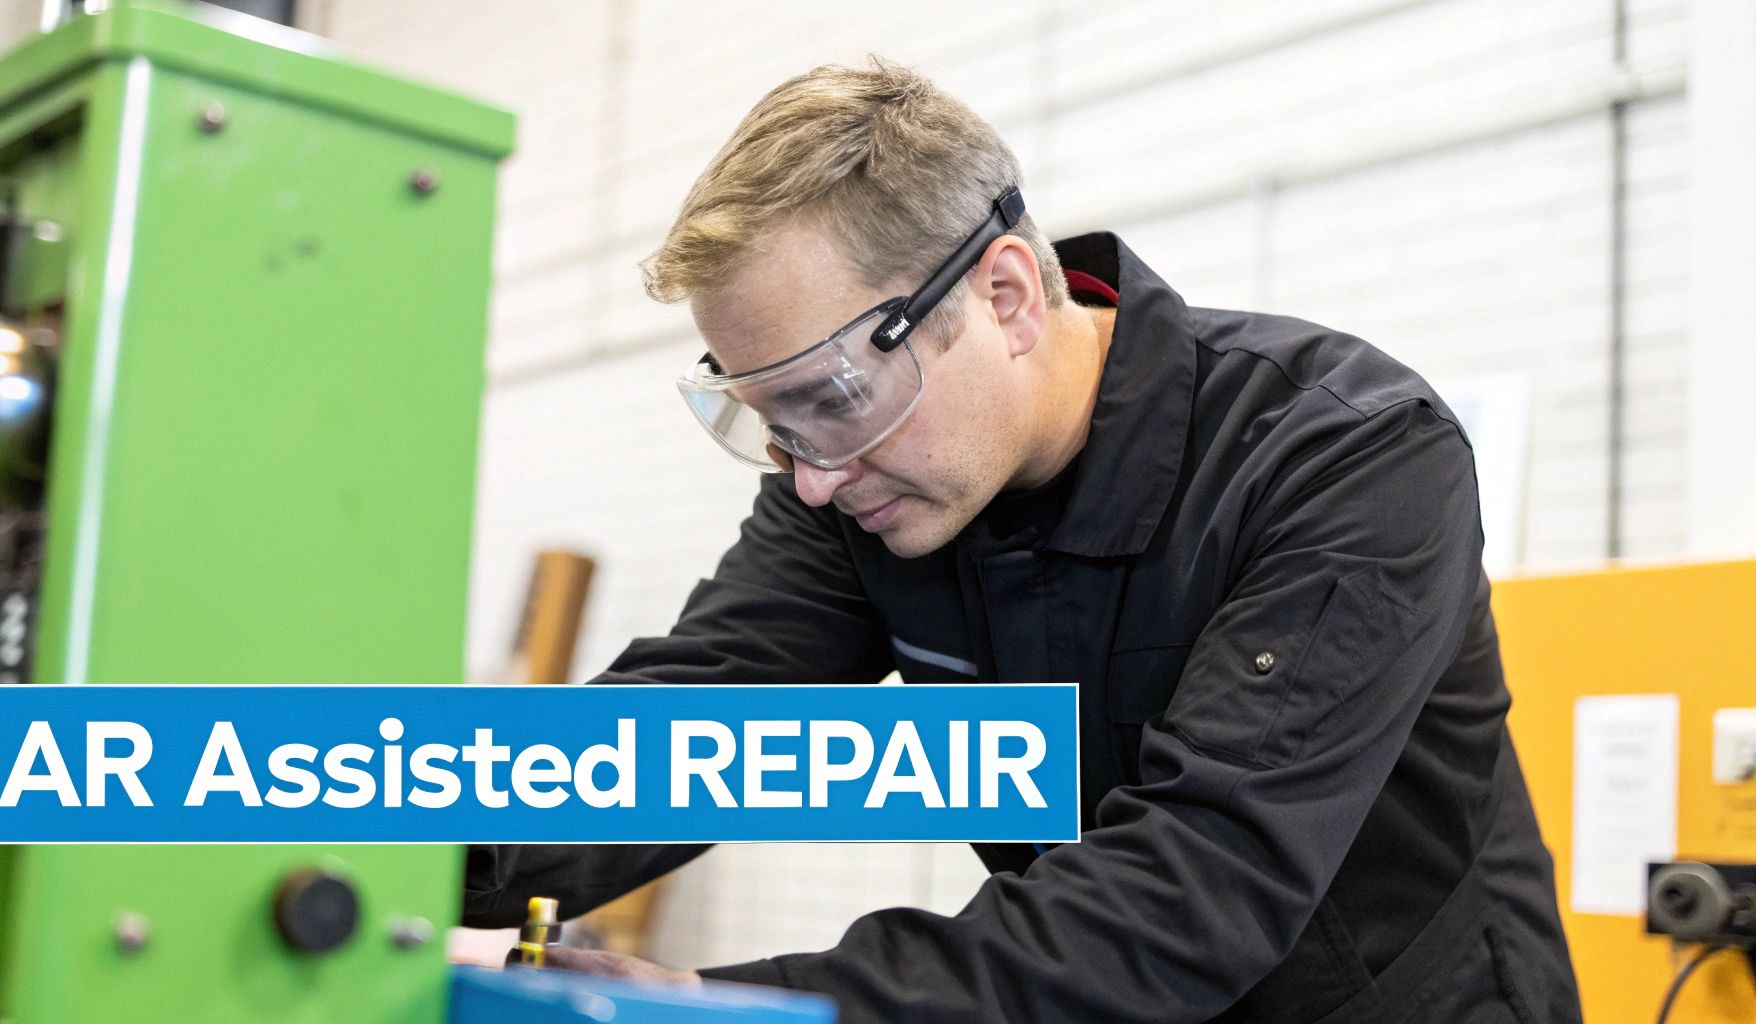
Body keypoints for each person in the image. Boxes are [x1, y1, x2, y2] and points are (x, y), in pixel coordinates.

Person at [462, 58, 1581, 1024]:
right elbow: (670, 739)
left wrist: (713, 1005)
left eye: (833, 396)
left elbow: (1192, 888)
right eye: (768, 421)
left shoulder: (1343, 459)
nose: (809, 474)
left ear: (1001, 295)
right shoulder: (861, 489)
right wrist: (364, 842)